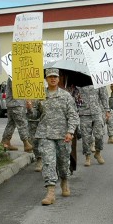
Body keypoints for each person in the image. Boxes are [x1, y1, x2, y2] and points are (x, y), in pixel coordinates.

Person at [26, 68, 79, 206]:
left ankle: (65, 181)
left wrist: (70, 131)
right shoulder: (40, 96)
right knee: (49, 162)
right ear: (46, 79)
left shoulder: (66, 96)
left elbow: (73, 115)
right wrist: (30, 107)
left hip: (63, 135)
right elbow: (34, 116)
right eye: (50, 76)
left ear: (59, 78)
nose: (53, 79)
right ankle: (50, 192)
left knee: (63, 163)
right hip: (45, 134)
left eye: (55, 76)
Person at [74, 83, 109, 166]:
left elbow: (104, 96)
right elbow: (74, 96)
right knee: (86, 137)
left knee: (99, 135)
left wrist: (107, 110)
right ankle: (87, 157)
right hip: (84, 113)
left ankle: (98, 153)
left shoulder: (98, 80)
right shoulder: (78, 81)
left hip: (97, 112)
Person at [1, 77, 34, 153]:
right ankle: (26, 143)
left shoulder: (12, 75)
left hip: (13, 104)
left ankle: (5, 141)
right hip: (16, 104)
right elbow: (17, 89)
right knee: (22, 123)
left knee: (11, 124)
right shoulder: (14, 75)